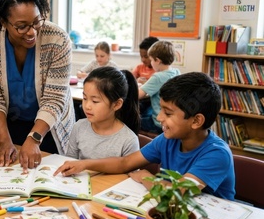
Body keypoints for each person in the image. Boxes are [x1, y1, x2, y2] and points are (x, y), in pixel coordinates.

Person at [55, 72, 235, 200]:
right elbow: (125, 162)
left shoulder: (217, 154)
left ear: (196, 121)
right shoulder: (167, 140)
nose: (159, 117)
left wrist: (146, 177)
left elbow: (176, 194)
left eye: (168, 113)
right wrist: (84, 164)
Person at [0, 0, 75, 171]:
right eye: (21, 26)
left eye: (36, 22)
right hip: (10, 126)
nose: (31, 32)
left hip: (49, 126)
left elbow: (54, 98)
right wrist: (4, 141)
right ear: (3, 22)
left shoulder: (58, 39)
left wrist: (34, 138)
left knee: (47, 175)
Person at [65, 66, 140, 160]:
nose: (87, 106)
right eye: (85, 98)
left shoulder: (128, 140)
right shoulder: (79, 127)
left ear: (116, 104)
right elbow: (69, 161)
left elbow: (132, 174)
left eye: (95, 101)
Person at [139, 40, 180, 134]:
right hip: (171, 120)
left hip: (158, 122)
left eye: (152, 60)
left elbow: (138, 95)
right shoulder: (176, 72)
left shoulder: (158, 77)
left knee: (131, 120)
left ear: (158, 60)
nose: (151, 63)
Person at [133, 36, 159, 118]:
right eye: (141, 56)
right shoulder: (139, 67)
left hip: (152, 101)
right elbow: (129, 79)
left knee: (148, 114)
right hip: (140, 99)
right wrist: (137, 80)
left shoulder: (158, 71)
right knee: (134, 109)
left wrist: (147, 83)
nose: (143, 59)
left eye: (146, 57)